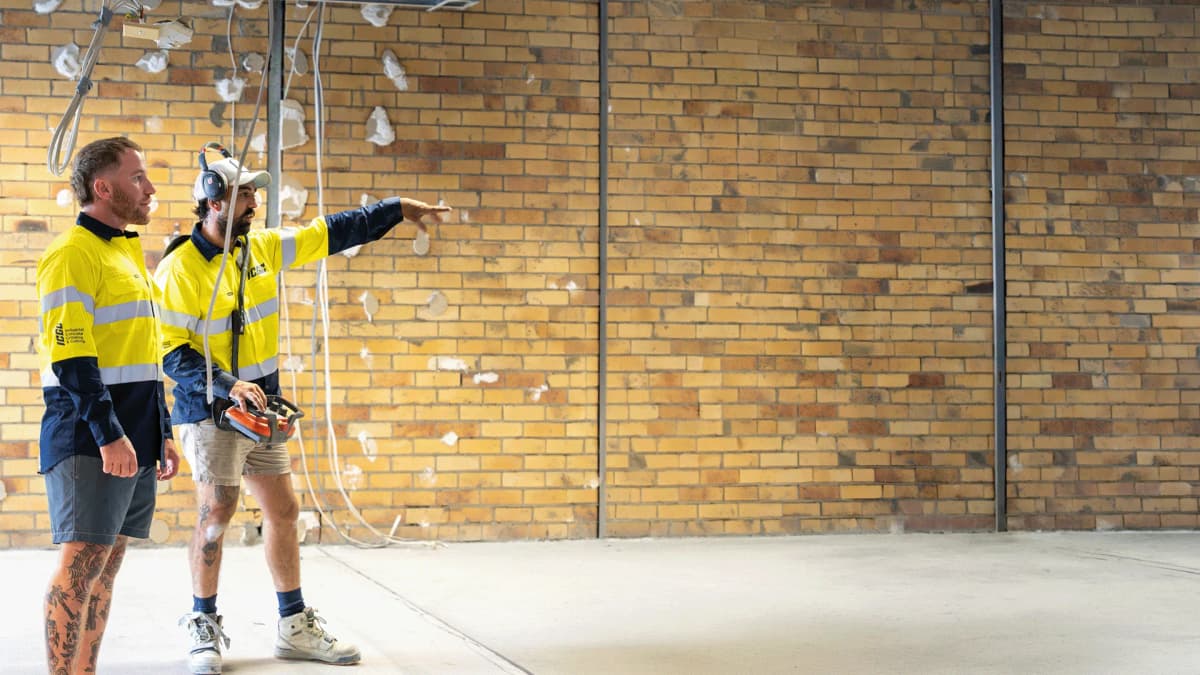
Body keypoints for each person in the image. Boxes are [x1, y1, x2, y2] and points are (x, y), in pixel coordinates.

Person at [155, 148, 450, 674]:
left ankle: (293, 626)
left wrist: (397, 208)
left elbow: (331, 231)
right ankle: (203, 624)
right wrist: (226, 384)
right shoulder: (180, 267)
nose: (253, 202)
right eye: (243, 192)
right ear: (212, 198)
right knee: (216, 513)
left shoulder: (261, 248)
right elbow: (173, 352)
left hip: (262, 405)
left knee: (284, 511)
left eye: (254, 192)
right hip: (209, 410)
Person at [36, 136, 181, 675]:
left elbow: (144, 352)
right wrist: (108, 433)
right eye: (138, 177)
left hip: (135, 434)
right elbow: (71, 356)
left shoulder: (121, 250)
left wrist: (160, 430)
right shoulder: (72, 254)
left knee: (105, 569)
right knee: (79, 572)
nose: (150, 187)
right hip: (91, 438)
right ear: (104, 187)